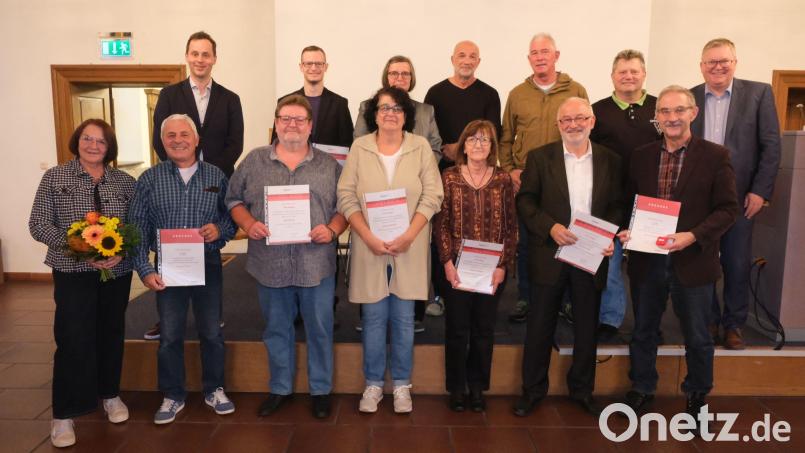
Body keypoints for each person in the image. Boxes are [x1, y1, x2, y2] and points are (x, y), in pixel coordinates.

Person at [620, 86, 739, 434]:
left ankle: (697, 396)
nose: (671, 118)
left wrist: (693, 235)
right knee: (643, 330)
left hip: (694, 259)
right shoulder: (641, 156)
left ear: (693, 113)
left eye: (679, 111)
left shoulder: (716, 156)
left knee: (698, 336)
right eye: (665, 112)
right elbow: (631, 202)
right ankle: (642, 388)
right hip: (648, 260)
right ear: (656, 117)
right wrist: (629, 230)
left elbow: (729, 210)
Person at [227, 95, 347, 419]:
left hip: (316, 264)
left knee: (320, 329)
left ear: (310, 126)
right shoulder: (254, 161)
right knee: (276, 328)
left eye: (298, 119)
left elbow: (345, 209)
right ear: (276, 123)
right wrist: (248, 223)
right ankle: (280, 388)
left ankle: (320, 390)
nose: (291, 124)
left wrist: (333, 229)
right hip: (270, 265)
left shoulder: (329, 165)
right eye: (285, 118)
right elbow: (233, 198)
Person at [29, 119, 136, 448]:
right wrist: (74, 247)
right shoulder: (55, 177)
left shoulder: (125, 182)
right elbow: (38, 224)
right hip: (71, 272)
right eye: (87, 139)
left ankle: (110, 395)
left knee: (111, 334)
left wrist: (123, 252)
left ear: (109, 147)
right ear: (77, 142)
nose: (93, 146)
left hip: (116, 273)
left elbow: (137, 223)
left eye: (101, 141)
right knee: (73, 338)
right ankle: (64, 414)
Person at [513, 97, 622, 418]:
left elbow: (617, 204)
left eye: (580, 118)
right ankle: (532, 391)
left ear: (592, 121)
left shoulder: (611, 161)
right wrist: (550, 228)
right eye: (566, 120)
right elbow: (526, 201)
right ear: (558, 125)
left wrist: (609, 234)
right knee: (539, 326)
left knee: (587, 326)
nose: (573, 124)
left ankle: (582, 390)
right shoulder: (539, 158)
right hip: (550, 252)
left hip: (591, 255)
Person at [337, 87, 443, 414]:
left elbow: (432, 195)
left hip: (409, 246)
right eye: (384, 108)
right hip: (370, 246)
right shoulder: (360, 147)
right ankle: (372, 384)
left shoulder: (420, 146)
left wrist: (410, 235)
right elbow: (346, 195)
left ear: (406, 113)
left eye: (397, 108)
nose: (390, 114)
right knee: (372, 318)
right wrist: (366, 235)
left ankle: (401, 385)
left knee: (402, 319)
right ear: (375, 114)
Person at [129, 113, 237, 425]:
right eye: (171, 135)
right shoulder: (149, 179)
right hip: (168, 270)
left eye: (184, 134)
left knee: (212, 333)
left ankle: (214, 389)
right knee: (170, 336)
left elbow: (231, 218)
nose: (178, 140)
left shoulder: (216, 176)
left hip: (208, 265)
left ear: (196, 139)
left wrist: (220, 230)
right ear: (162, 142)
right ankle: (173, 394)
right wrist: (144, 270)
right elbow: (137, 227)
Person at [147, 30, 244, 340]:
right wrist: (181, 165)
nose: (200, 59)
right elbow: (160, 139)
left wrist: (208, 171)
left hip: (212, 183)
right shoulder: (169, 94)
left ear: (214, 58)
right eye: (195, 53)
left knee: (210, 242)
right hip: (174, 181)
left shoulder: (230, 99)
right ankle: (166, 317)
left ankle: (211, 315)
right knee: (172, 242)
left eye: (206, 54)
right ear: (187, 56)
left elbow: (235, 143)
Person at [690, 38, 781, 350]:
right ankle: (710, 319)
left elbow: (771, 147)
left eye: (723, 61)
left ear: (735, 62)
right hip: (698, 199)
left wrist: (760, 191)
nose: (718, 66)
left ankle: (734, 324)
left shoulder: (759, 94)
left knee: (736, 262)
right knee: (702, 263)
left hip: (741, 197)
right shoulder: (688, 98)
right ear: (701, 66)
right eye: (711, 62)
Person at [499, 33, 589, 324]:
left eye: (545, 52)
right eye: (534, 53)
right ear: (529, 59)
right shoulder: (517, 94)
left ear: (556, 55)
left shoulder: (575, 90)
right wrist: (511, 168)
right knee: (527, 242)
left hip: (566, 180)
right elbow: (505, 137)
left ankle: (566, 301)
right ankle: (526, 296)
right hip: (527, 180)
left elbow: (586, 130)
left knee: (565, 239)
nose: (540, 57)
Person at [353, 55, 443, 333]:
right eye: (394, 73)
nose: (399, 78)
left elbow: (436, 146)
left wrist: (418, 171)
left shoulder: (425, 110)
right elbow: (358, 143)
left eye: (405, 74)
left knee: (412, 263)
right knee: (372, 266)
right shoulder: (368, 107)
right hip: (374, 203)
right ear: (386, 77)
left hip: (413, 197)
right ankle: (369, 316)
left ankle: (413, 317)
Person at [433, 120, 516, 412]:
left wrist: (503, 265)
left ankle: (478, 387)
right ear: (463, 145)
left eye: (485, 140)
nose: (478, 145)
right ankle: (456, 388)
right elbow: (440, 224)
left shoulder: (503, 179)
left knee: (483, 329)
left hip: (492, 269)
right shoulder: (449, 177)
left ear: (492, 147)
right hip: (457, 268)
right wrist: (446, 262)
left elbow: (511, 227)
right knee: (457, 329)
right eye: (473, 139)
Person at [424, 40, 501, 317]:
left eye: (472, 56)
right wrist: (454, 149)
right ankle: (441, 293)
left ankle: (477, 281)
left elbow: (493, 133)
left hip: (481, 175)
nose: (466, 60)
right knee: (443, 231)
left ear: (479, 61)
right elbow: (430, 135)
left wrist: (463, 148)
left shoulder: (490, 93)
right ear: (452, 58)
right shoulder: (435, 92)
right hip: (444, 174)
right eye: (461, 55)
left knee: (477, 230)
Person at [590, 49, 661, 342]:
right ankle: (610, 317)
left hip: (652, 202)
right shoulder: (598, 111)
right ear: (612, 77)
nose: (628, 76)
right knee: (611, 262)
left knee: (649, 269)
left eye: (634, 71)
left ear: (643, 74)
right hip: (611, 199)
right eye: (622, 72)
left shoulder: (660, 108)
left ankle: (649, 322)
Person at [273, 45, 353, 148]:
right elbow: (275, 143)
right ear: (301, 67)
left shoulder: (340, 104)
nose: (314, 68)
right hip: (292, 163)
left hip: (327, 163)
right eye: (309, 64)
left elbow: (348, 145)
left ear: (326, 67)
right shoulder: (284, 102)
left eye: (319, 64)